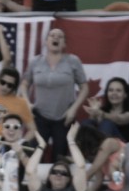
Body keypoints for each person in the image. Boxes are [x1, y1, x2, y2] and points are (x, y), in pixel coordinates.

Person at [25, 28, 87, 159]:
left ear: (64, 43)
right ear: (46, 41)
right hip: (40, 116)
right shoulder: (35, 62)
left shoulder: (73, 61)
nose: (56, 38)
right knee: (33, 154)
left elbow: (84, 88)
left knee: (60, 157)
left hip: (64, 117)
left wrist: (73, 109)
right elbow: (24, 84)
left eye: (60, 36)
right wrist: (27, 103)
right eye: (52, 35)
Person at [85, 77, 129, 142]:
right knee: (87, 122)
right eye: (110, 90)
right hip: (99, 144)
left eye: (118, 90)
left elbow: (120, 119)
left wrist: (101, 114)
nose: (114, 93)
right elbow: (90, 128)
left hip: (123, 148)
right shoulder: (103, 110)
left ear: (125, 95)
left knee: (107, 123)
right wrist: (94, 111)